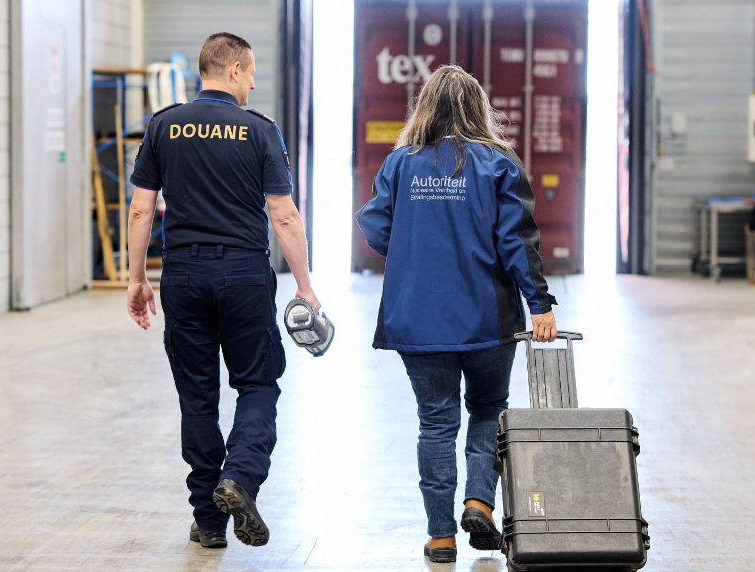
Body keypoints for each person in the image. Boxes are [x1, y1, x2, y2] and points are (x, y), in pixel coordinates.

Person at [355, 65, 557, 563]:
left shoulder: (400, 163)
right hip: (485, 319)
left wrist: (413, 247)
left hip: (416, 317)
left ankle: (441, 537)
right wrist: (539, 304)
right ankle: (478, 502)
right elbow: (516, 241)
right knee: (488, 410)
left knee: (435, 423)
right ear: (477, 109)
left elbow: (375, 226)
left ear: (425, 107)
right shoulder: (497, 163)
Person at [126, 32, 320, 549]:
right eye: (251, 72)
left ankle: (209, 522)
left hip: (183, 276)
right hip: (242, 275)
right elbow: (283, 214)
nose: (254, 83)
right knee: (257, 384)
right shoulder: (259, 131)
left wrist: (137, 278)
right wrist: (304, 286)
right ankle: (240, 477)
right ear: (232, 70)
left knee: (198, 397)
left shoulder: (163, 125)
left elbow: (143, 209)